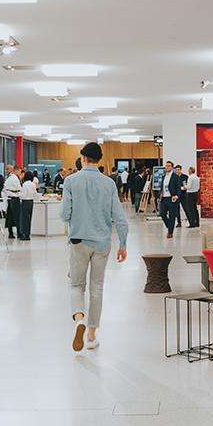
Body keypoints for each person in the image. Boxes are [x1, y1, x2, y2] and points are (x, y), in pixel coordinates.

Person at [58, 142, 128, 351]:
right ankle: (90, 335)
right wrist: (123, 244)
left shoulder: (70, 181)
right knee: (96, 288)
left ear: (83, 158)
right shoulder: (109, 183)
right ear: (99, 160)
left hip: (78, 241)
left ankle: (79, 319)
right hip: (102, 242)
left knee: (76, 285)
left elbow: (64, 214)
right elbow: (120, 218)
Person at [17, 165, 37, 239]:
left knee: (24, 219)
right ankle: (28, 234)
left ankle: (24, 235)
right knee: (29, 218)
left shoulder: (25, 184)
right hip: (31, 202)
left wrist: (18, 194)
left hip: (25, 202)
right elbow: (35, 193)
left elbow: (23, 195)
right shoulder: (33, 184)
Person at [1, 164, 21, 239]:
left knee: (10, 217)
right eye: (19, 171)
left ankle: (10, 233)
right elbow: (19, 189)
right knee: (17, 217)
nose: (20, 172)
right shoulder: (14, 178)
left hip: (10, 199)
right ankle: (19, 233)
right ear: (16, 170)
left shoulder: (9, 178)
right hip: (15, 199)